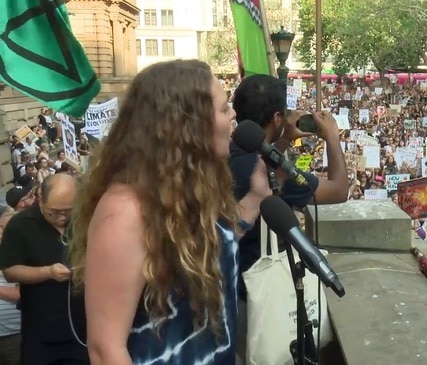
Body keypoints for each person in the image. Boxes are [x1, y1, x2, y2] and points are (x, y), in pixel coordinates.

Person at [68, 60, 271, 364]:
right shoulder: (123, 213)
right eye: (223, 108)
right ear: (188, 124)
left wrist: (256, 199)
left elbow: (203, 250)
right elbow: (105, 349)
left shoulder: (193, 192)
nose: (234, 116)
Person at [228, 74, 348, 360]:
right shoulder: (268, 171)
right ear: (278, 117)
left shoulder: (226, 154)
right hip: (258, 298)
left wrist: (281, 141)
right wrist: (331, 136)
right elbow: (339, 189)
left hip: (227, 291)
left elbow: (263, 167)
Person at [0, 174, 88, 364]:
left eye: (68, 211)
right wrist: (47, 272)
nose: (62, 217)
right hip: (41, 329)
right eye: (55, 212)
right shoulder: (20, 225)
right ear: (41, 199)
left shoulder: (85, 220)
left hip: (83, 326)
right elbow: (10, 271)